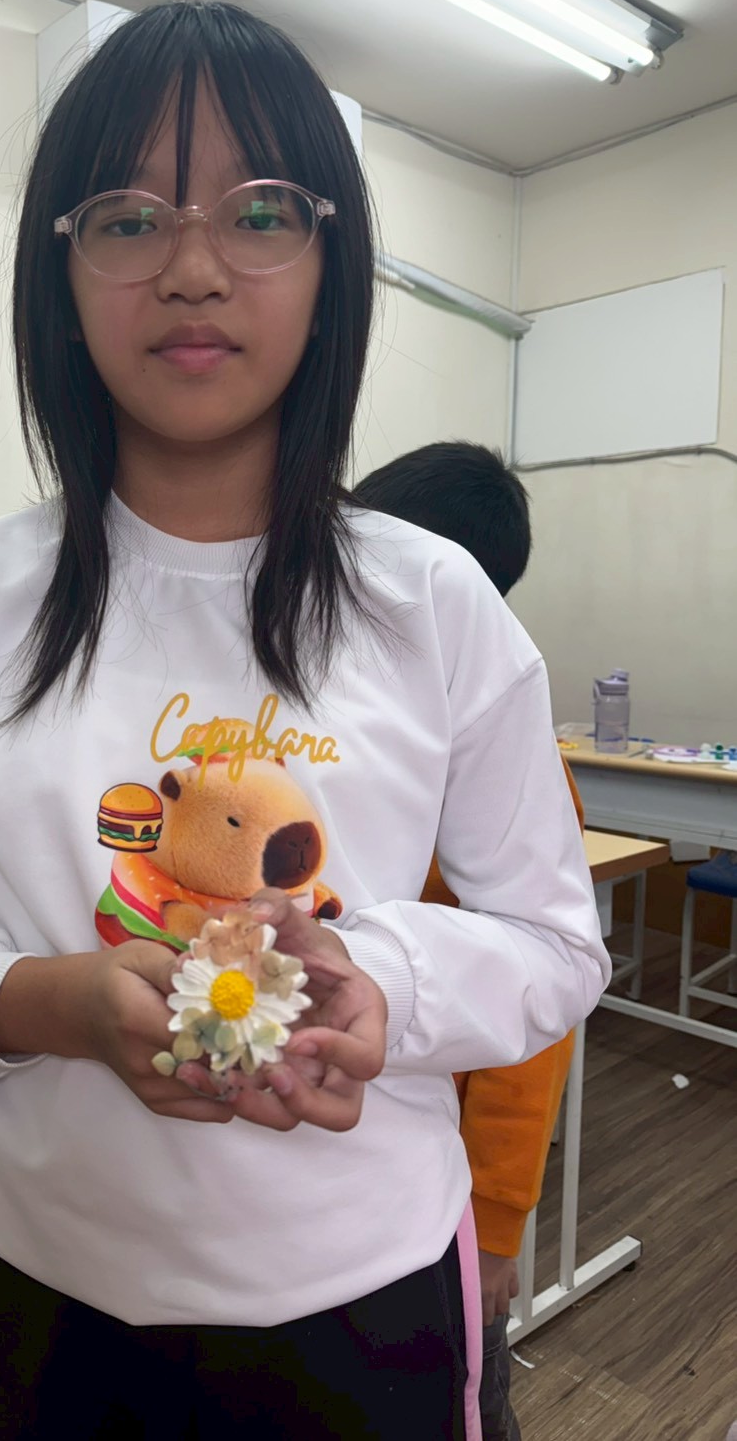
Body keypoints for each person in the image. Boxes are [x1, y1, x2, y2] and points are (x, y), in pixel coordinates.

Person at [0, 2, 609, 1441]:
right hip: (49, 1296)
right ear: (60, 273)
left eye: (259, 211)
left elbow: (555, 947)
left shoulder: (436, 604)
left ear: (331, 265)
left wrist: (375, 978)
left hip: (364, 1300)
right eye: (126, 218)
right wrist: (48, 1001)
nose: (191, 266)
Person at [354, 442, 582, 1441]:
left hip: (433, 1184)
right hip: (331, 1168)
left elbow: (534, 1023)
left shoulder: (493, 744)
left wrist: (494, 1220)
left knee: (463, 1399)